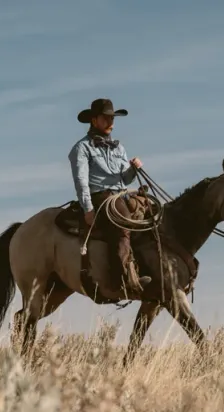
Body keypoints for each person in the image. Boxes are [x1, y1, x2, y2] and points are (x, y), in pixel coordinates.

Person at [69, 98, 152, 296]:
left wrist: (134, 168)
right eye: (106, 118)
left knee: (152, 213)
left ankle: (151, 267)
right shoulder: (81, 149)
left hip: (121, 194)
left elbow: (125, 179)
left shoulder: (118, 148)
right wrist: (88, 208)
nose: (111, 123)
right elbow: (81, 181)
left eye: (112, 118)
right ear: (94, 120)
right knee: (123, 224)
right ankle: (122, 279)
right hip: (101, 196)